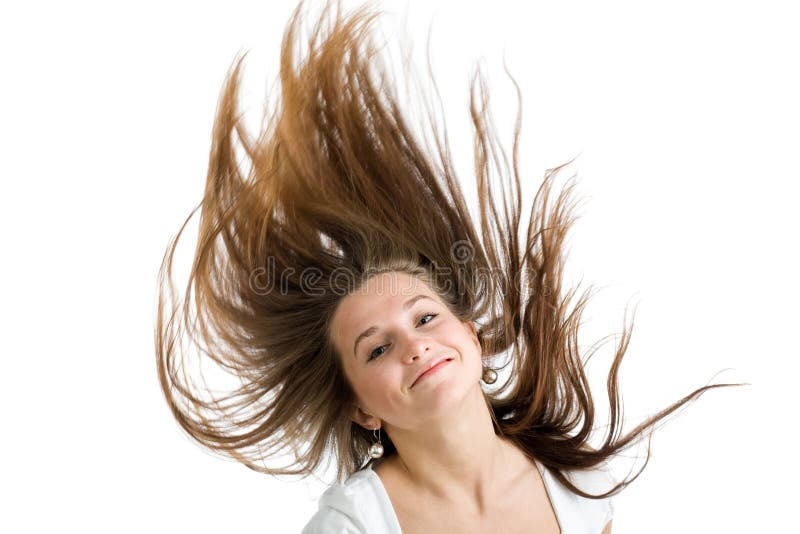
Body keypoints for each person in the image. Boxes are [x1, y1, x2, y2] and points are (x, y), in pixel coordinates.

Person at [154, 1, 745, 532]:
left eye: (426, 318)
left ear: (473, 336)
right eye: (376, 349)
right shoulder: (355, 525)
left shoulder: (577, 486)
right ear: (362, 407)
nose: (413, 346)